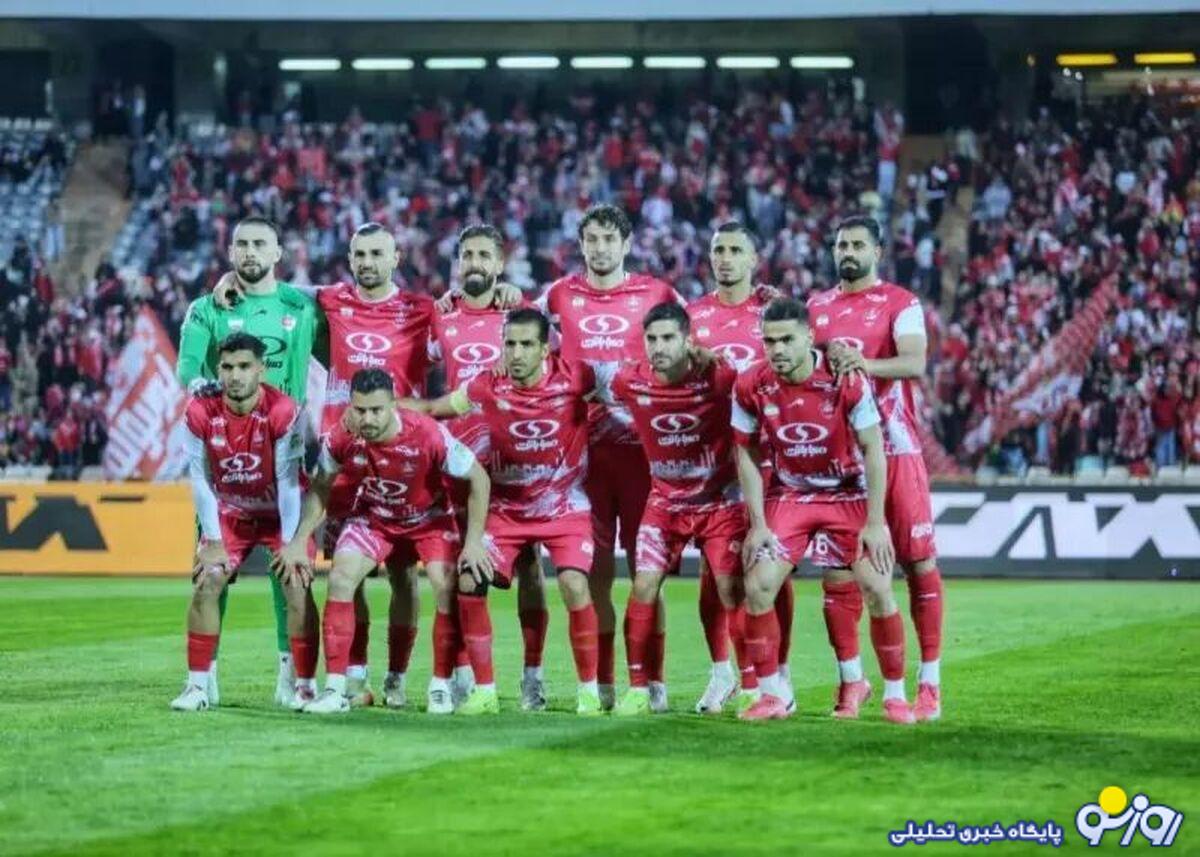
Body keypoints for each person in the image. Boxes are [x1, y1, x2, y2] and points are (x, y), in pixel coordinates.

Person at [404, 307, 602, 715]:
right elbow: (436, 409)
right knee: (469, 578)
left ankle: (587, 691)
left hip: (564, 507)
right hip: (508, 510)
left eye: (526, 345)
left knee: (573, 584)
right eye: (510, 344)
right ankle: (485, 691)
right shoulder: (486, 385)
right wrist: (384, 405)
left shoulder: (578, 377)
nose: (516, 353)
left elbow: (630, 383)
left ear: (545, 349)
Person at [732, 299, 913, 724]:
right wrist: (757, 524)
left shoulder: (845, 379)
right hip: (792, 495)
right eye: (769, 341)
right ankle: (772, 695)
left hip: (848, 494)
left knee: (877, 586)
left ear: (809, 338)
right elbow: (745, 452)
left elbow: (873, 448)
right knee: (758, 585)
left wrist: (876, 522)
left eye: (787, 339)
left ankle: (895, 695)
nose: (777, 349)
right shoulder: (750, 384)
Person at [275, 368, 492, 715]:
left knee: (444, 584)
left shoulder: (427, 433)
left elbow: (479, 478)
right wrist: (300, 540)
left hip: (429, 519)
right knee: (340, 577)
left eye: (377, 410)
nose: (368, 419)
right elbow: (321, 486)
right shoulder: (343, 435)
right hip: (376, 518)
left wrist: (475, 542)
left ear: (393, 405)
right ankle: (335, 690)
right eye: (360, 410)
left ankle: (439, 685)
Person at [537, 204, 682, 711]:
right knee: (594, 574)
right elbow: (516, 325)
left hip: (644, 456)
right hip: (585, 459)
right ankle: (601, 684)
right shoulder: (558, 294)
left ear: (626, 244)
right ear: (581, 245)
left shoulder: (657, 293)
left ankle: (653, 682)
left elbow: (698, 330)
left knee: (648, 575)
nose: (600, 248)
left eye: (608, 239)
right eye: (591, 240)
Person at [176, 217, 323, 707]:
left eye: (260, 243)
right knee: (211, 576)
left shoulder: (302, 306)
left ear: (279, 252)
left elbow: (351, 309)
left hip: (286, 452)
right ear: (230, 251)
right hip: (228, 467)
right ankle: (204, 680)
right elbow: (187, 368)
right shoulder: (207, 308)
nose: (249, 251)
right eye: (241, 244)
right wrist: (202, 388)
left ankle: (291, 679)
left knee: (292, 579)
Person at [808, 215, 945, 721]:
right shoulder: (816, 307)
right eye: (841, 244)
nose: (848, 251)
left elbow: (914, 363)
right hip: (839, 457)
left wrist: (863, 363)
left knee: (918, 563)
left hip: (896, 448)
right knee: (837, 573)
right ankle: (852, 682)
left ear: (877, 252)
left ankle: (929, 682)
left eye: (857, 244)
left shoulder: (900, 302)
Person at [429, 225, 550, 711]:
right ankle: (464, 672)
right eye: (467, 255)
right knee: (458, 563)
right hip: (457, 460)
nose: (475, 262)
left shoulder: (520, 314)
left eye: (484, 255)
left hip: (514, 455)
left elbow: (549, 366)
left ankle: (533, 675)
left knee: (530, 565)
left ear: (500, 264)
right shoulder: (440, 317)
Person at [607, 302, 744, 716]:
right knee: (643, 587)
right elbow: (591, 384)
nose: (658, 347)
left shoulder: (718, 376)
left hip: (719, 500)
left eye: (668, 338)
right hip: (665, 503)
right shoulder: (630, 380)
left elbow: (751, 386)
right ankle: (638, 688)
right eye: (651, 339)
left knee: (730, 588)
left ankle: (750, 683)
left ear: (688, 340)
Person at [688, 221, 792, 714]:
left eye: (735, 250)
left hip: (766, 457)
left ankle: (779, 673)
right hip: (709, 460)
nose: (725, 258)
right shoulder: (694, 316)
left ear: (754, 259)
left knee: (772, 567)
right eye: (719, 250)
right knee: (712, 572)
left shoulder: (772, 313)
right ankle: (722, 673)